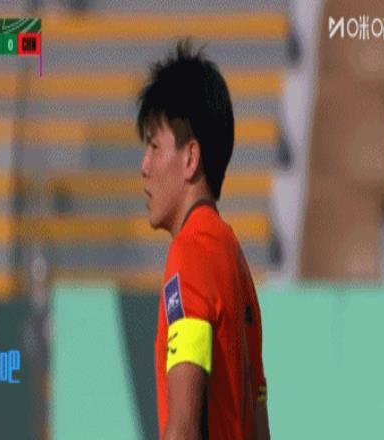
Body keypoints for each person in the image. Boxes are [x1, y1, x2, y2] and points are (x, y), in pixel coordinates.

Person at [137, 39, 271, 440]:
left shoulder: (190, 253)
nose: (144, 166)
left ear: (190, 158)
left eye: (154, 146)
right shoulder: (234, 258)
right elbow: (260, 423)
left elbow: (183, 426)